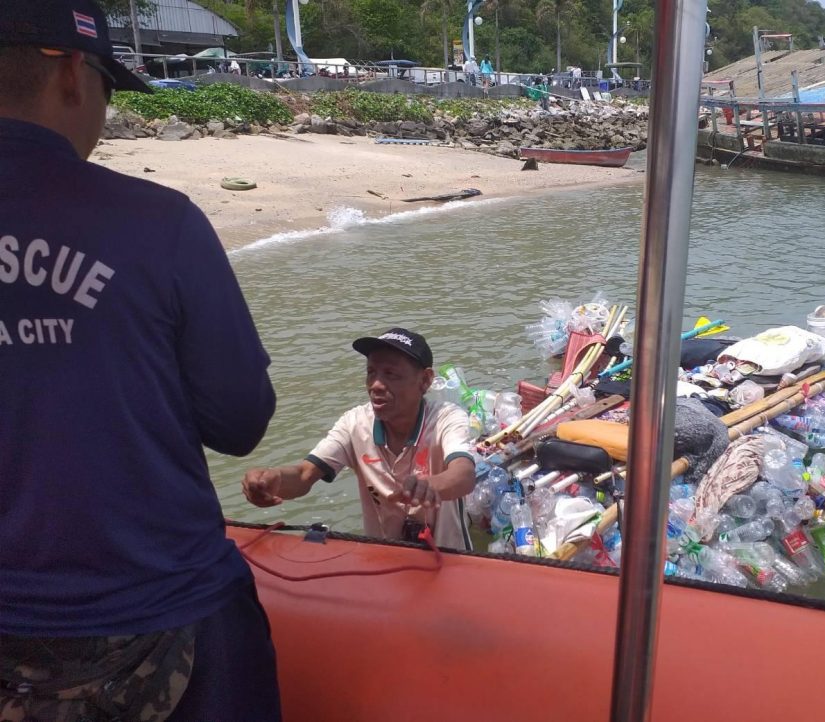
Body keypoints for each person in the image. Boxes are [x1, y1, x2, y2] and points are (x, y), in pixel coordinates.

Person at [0, 2, 281, 720]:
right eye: (109, 84)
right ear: (71, 73)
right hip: (163, 617)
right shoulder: (157, 223)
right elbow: (239, 422)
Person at [242, 328, 477, 550]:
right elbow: (304, 475)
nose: (375, 385)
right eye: (371, 372)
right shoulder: (354, 423)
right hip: (384, 559)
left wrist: (431, 486)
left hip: (449, 558)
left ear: (425, 381)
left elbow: (464, 474)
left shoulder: (446, 418)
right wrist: (272, 480)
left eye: (391, 374)